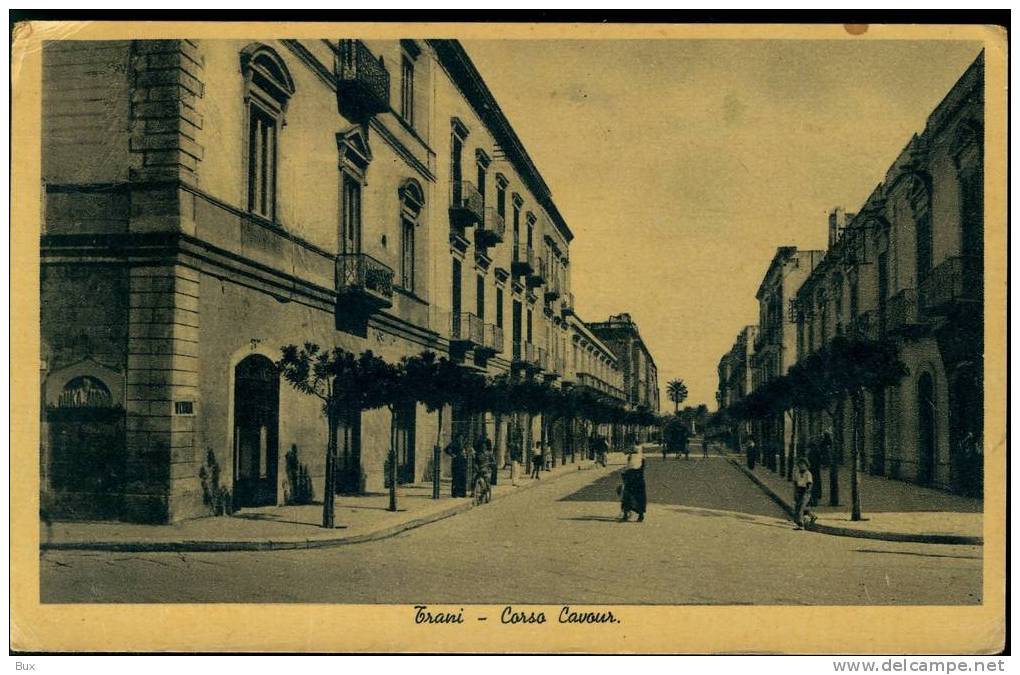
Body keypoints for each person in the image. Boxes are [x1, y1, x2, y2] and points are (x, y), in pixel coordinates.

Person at [619, 445, 647, 522]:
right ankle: (641, 515)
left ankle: (625, 514)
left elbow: (628, 468)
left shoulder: (631, 457)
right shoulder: (642, 458)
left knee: (627, 496)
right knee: (640, 497)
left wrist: (624, 474)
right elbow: (642, 468)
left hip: (630, 479)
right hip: (640, 480)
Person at [792, 458, 816, 529]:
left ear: (806, 465)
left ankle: (800, 524)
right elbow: (795, 482)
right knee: (798, 506)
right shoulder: (798, 473)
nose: (801, 466)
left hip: (805, 491)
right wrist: (795, 492)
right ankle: (812, 516)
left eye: (803, 465)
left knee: (800, 507)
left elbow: (809, 484)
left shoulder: (808, 474)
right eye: (799, 465)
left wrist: (807, 492)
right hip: (799, 490)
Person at [807, 437, 823, 506]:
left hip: (812, 470)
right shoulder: (816, 450)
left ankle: (813, 501)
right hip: (816, 469)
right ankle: (815, 498)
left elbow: (811, 461)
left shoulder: (811, 451)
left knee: (812, 485)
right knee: (816, 483)